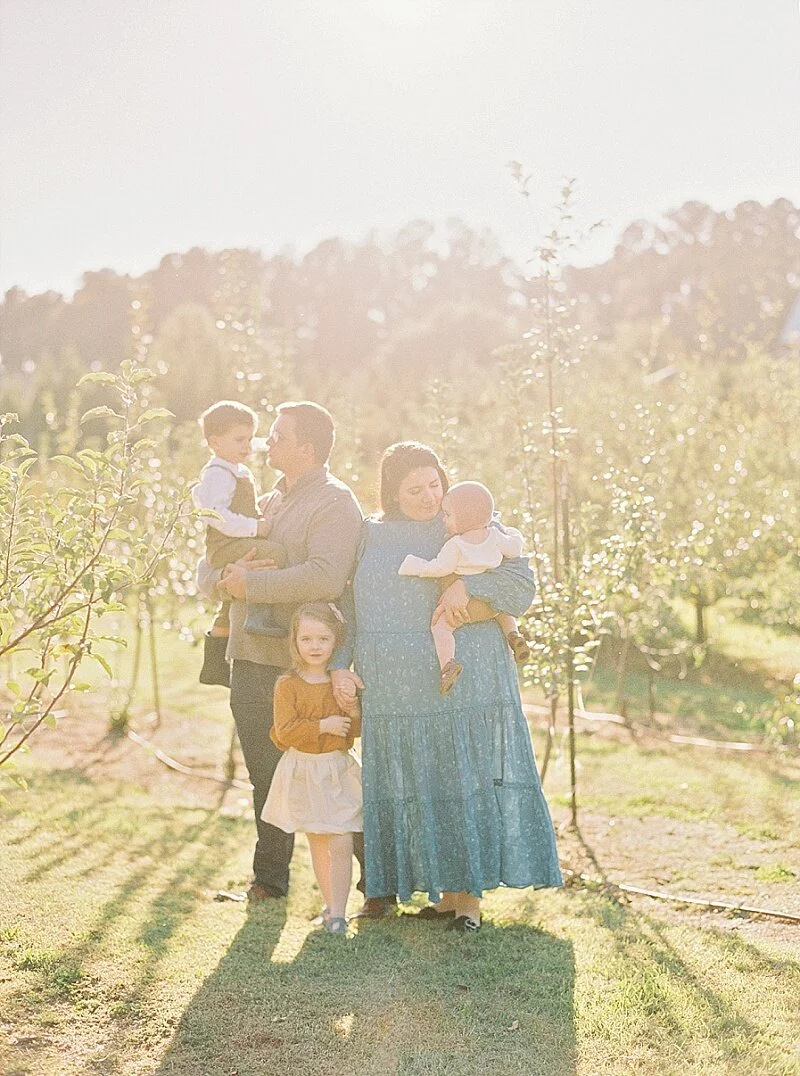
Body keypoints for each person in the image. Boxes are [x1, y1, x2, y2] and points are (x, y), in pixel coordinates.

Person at [332, 441, 562, 932]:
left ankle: (467, 903)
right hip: (392, 686)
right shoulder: (368, 535)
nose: (428, 496)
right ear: (391, 493)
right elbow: (345, 604)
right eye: (414, 489)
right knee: (415, 784)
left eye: (435, 483)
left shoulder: (464, 520)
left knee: (464, 779)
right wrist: (338, 662)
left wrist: (469, 587)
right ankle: (431, 892)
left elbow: (521, 586)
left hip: (462, 676)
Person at [198, 401, 366, 905]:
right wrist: (225, 581)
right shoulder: (263, 500)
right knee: (265, 774)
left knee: (328, 772)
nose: (266, 443)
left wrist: (253, 586)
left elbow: (325, 576)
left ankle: (378, 881)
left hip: (304, 666)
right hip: (249, 656)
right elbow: (214, 565)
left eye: (278, 436)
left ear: (308, 449)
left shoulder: (335, 504)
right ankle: (269, 881)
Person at [263, 603, 363, 936]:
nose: (315, 646)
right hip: (304, 769)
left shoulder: (340, 682)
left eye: (323, 638)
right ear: (295, 641)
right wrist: (322, 725)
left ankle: (339, 913)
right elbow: (284, 732)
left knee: (341, 838)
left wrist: (350, 709)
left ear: (336, 642)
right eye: (307, 639)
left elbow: (353, 730)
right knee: (319, 839)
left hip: (335, 769)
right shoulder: (287, 685)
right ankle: (330, 905)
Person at [398, 479, 531, 693]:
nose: (444, 520)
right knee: (503, 609)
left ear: (465, 518)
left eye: (449, 515)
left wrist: (413, 565)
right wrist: (515, 533)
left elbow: (439, 568)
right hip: (490, 602)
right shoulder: (496, 536)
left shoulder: (456, 545)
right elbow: (515, 550)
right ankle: (514, 636)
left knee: (440, 627)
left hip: (466, 606)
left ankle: (448, 664)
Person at [192, 400, 286, 688]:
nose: (247, 446)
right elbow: (217, 515)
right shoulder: (219, 473)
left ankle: (216, 656)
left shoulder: (231, 468)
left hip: (233, 542)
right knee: (275, 554)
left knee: (231, 598)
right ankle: (260, 620)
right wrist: (255, 526)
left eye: (249, 438)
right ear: (214, 442)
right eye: (239, 440)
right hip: (226, 544)